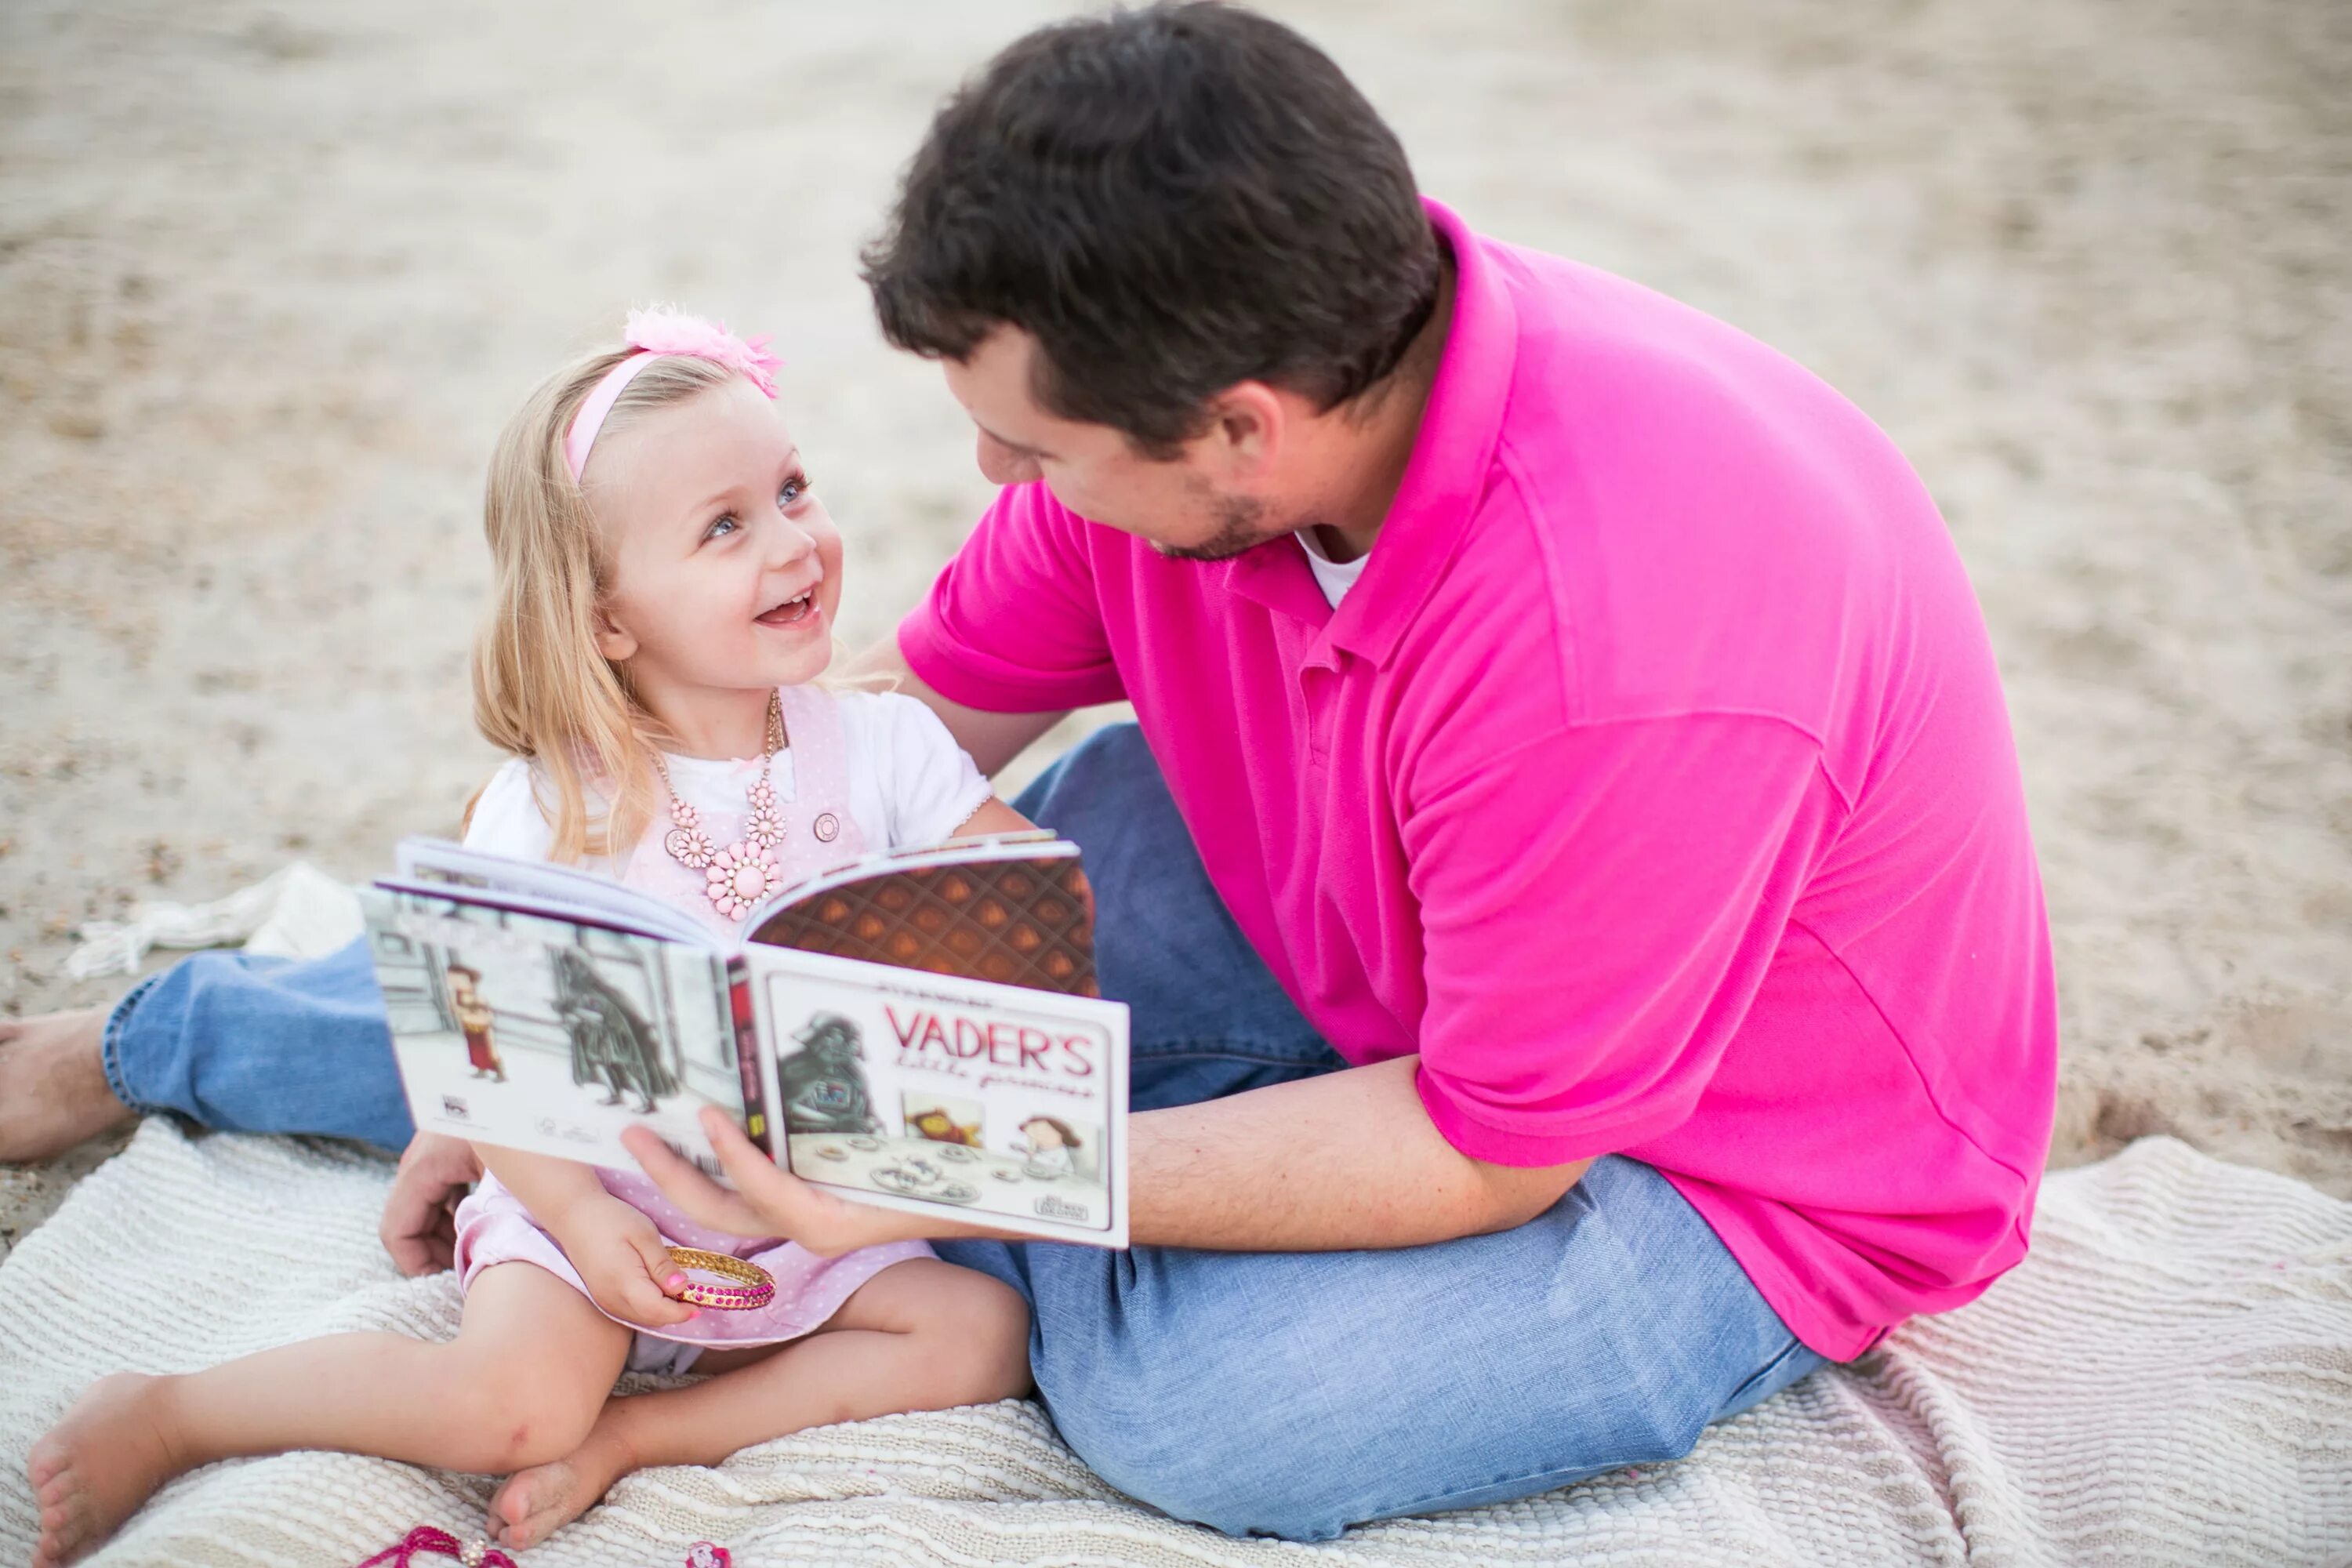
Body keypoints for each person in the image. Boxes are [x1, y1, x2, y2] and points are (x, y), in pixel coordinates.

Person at [2, 3, 2058, 1544]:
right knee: (681, 927)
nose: (992, 485)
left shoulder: (1631, 642)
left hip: (1717, 1147)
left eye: (1035, 448)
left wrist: (931, 1157)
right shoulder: (1185, 398)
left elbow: (1492, 1145)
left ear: (1239, 431)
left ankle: (909, 1198)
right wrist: (517, 1082)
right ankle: (165, 1037)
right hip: (1333, 881)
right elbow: (820, 778)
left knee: (1215, 1426)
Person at [23, 310, 1035, 1568]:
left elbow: (1025, 897)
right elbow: (479, 1048)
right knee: (512, 1409)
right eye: (726, 526)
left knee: (982, 1333)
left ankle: (636, 1441)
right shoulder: (553, 804)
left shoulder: (880, 744)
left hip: (802, 1217)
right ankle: (173, 1413)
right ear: (608, 618)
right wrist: (571, 1210)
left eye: (790, 490)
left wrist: (994, 936)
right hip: (595, 1204)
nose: (794, 544)